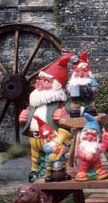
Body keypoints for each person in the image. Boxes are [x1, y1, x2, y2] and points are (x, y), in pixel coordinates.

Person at [18, 53, 73, 181]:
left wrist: (66, 115)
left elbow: (75, 114)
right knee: (35, 156)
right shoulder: (35, 101)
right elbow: (28, 117)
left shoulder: (62, 104)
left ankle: (56, 173)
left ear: (56, 86)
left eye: (45, 80)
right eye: (39, 79)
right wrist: (22, 119)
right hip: (34, 137)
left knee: (55, 156)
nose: (39, 82)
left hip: (53, 138)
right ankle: (34, 171)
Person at [67, 50, 100, 117]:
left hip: (88, 97)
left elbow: (95, 86)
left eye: (84, 71)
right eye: (78, 72)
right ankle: (75, 112)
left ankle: (90, 111)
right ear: (74, 72)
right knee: (75, 106)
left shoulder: (90, 80)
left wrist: (92, 89)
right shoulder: (73, 81)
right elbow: (68, 87)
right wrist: (69, 90)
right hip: (75, 99)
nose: (81, 74)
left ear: (88, 72)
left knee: (90, 106)